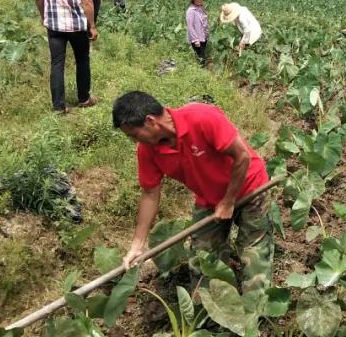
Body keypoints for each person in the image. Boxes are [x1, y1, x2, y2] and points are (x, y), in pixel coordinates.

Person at [115, 91, 272, 293]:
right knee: (203, 259)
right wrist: (137, 244)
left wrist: (228, 200)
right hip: (209, 199)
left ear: (150, 121)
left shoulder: (202, 117)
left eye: (134, 135)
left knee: (254, 255)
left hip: (250, 187)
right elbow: (149, 194)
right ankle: (212, 318)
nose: (134, 141)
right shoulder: (147, 150)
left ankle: (255, 314)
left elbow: (242, 156)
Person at [34, 0, 98, 113]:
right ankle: (84, 98)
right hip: (77, 25)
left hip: (54, 26)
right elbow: (87, 2)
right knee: (82, 60)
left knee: (57, 63)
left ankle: (58, 106)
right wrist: (92, 26)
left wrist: (43, 16)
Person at [185, 0, 209, 64]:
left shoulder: (201, 9)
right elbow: (190, 26)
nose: (199, 0)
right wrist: (196, 40)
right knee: (201, 58)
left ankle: (201, 71)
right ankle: (200, 72)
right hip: (197, 38)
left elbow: (204, 23)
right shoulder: (191, 10)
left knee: (201, 57)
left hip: (203, 37)